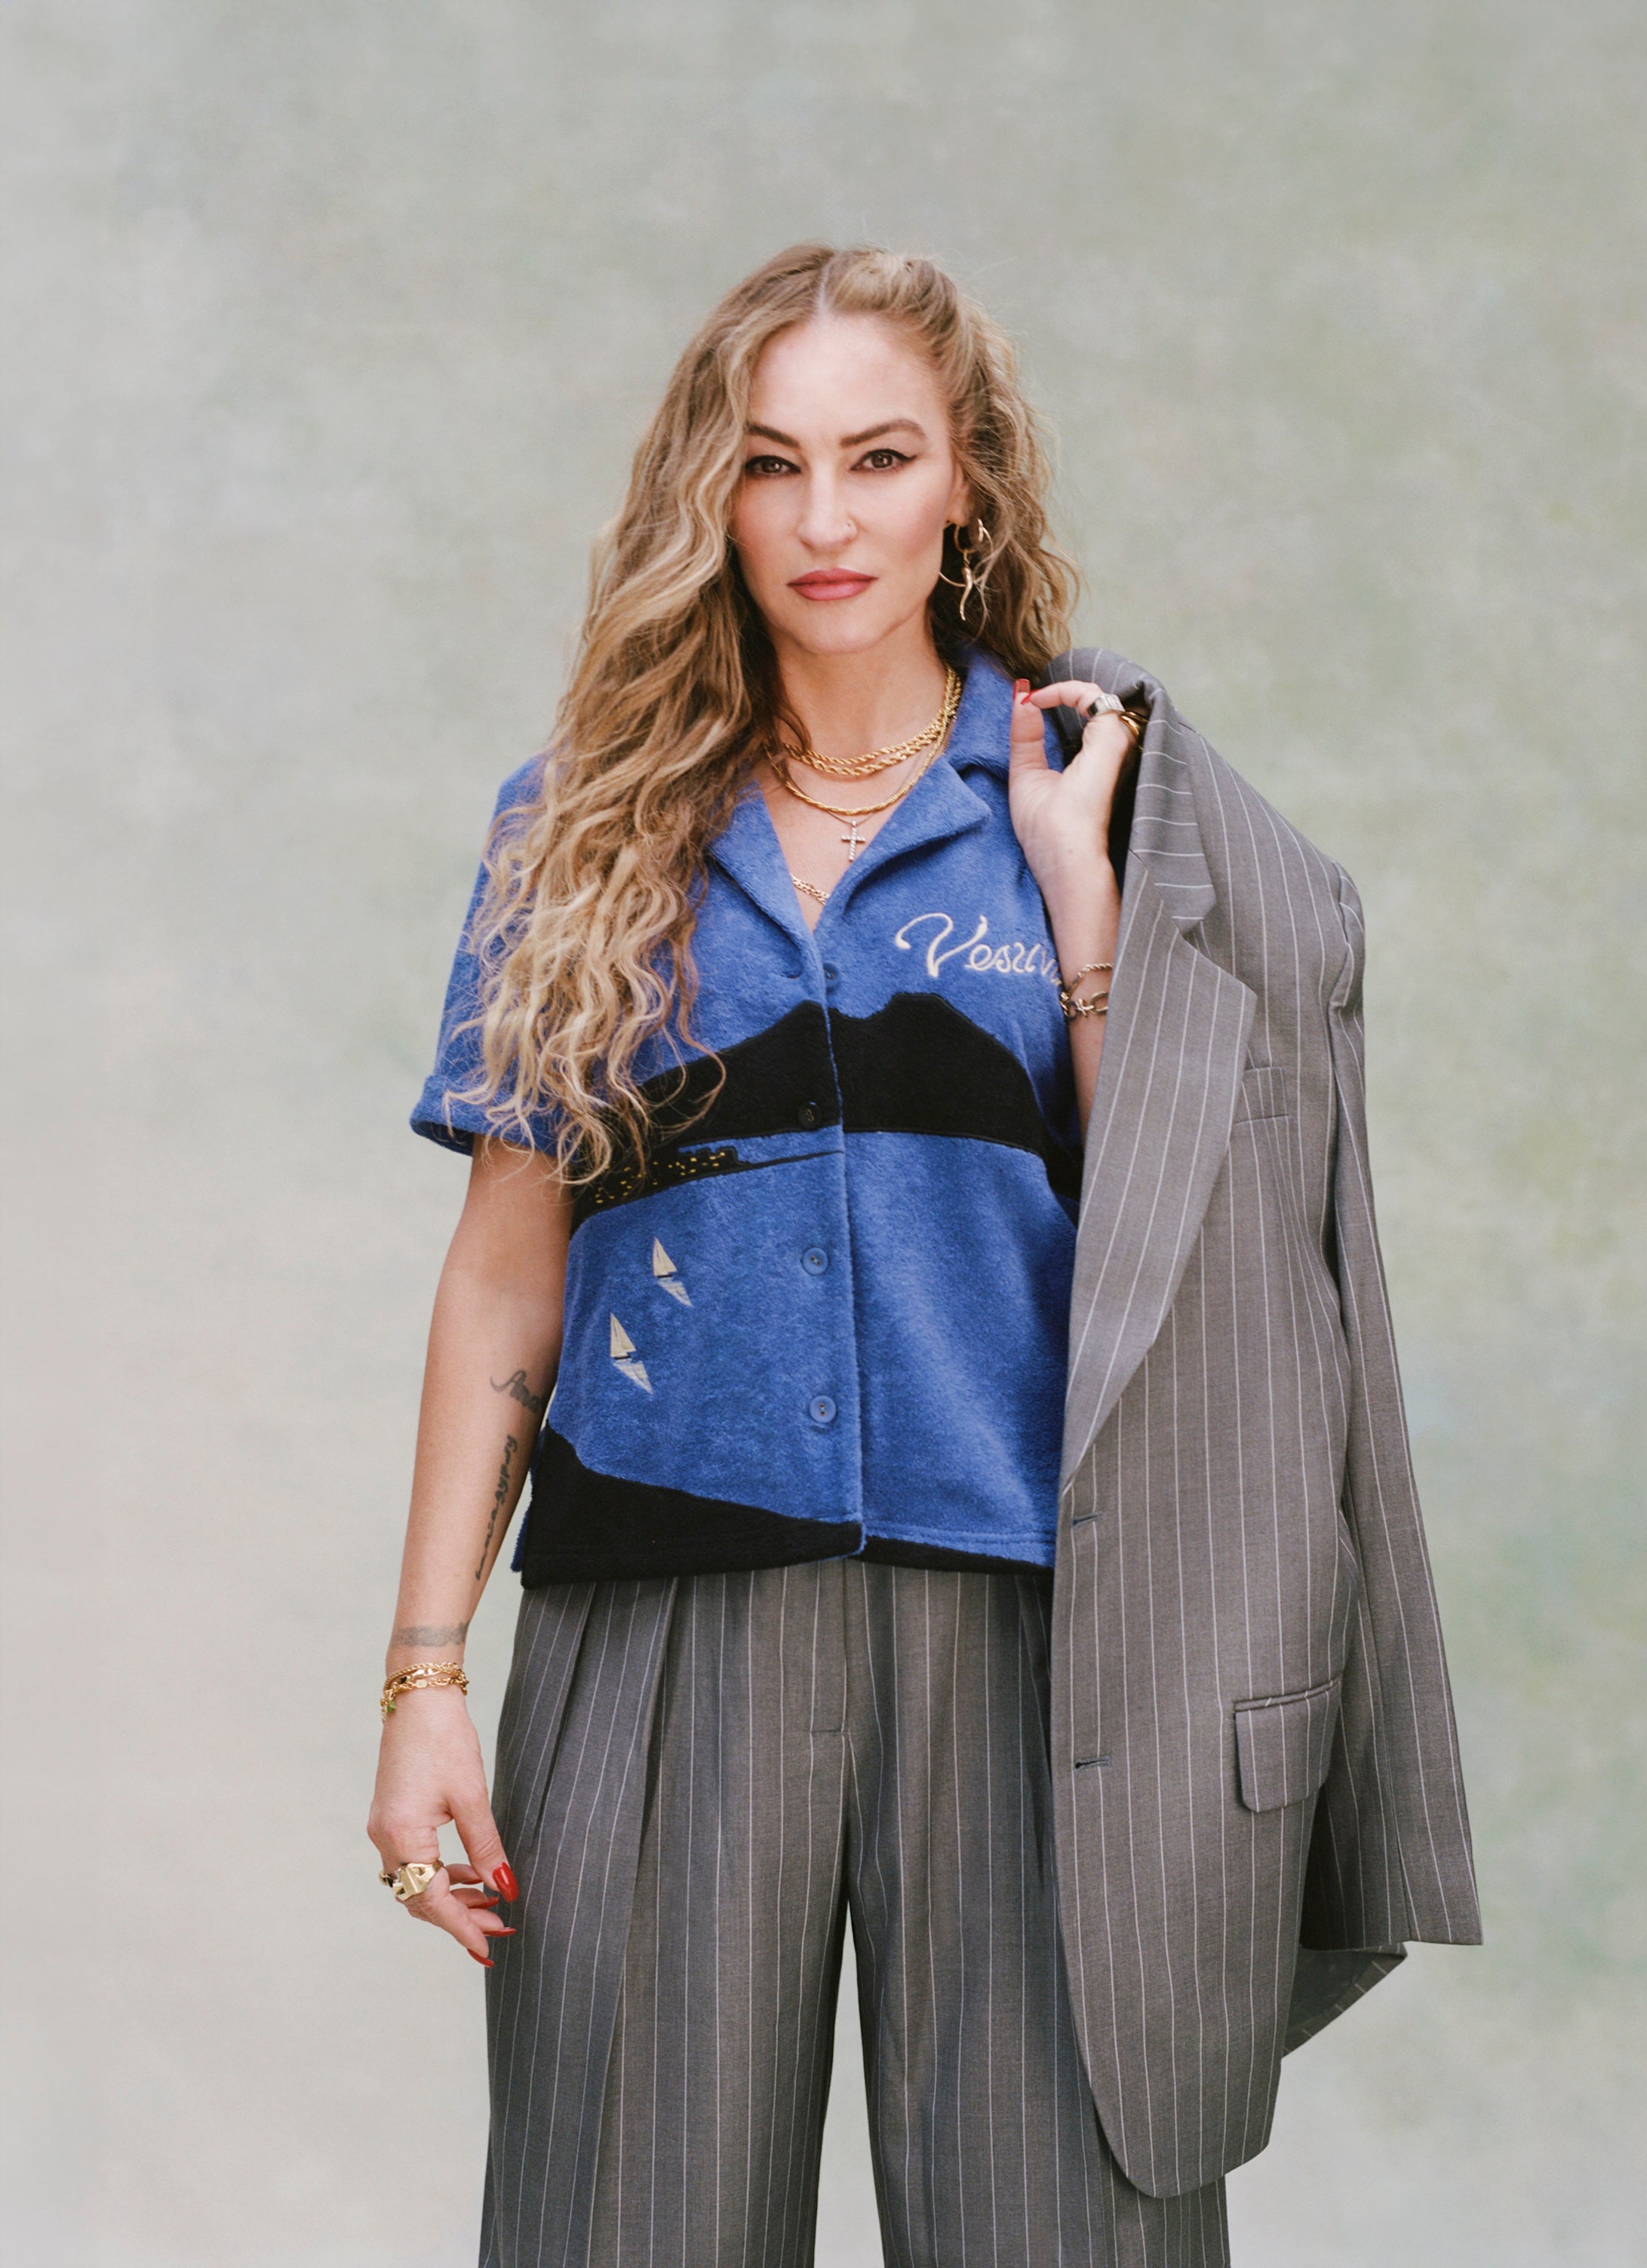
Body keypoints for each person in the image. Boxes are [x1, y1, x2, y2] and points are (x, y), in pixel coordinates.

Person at [367, 244, 1481, 2268]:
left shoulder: (1103, 800)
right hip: (657, 1639)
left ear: (966, 480)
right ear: (709, 494)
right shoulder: (577, 831)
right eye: (770, 462)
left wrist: (1080, 906)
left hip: (1050, 1647)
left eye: (879, 458)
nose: (826, 519)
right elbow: (505, 1276)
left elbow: (1203, 1228)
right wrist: (424, 1679)